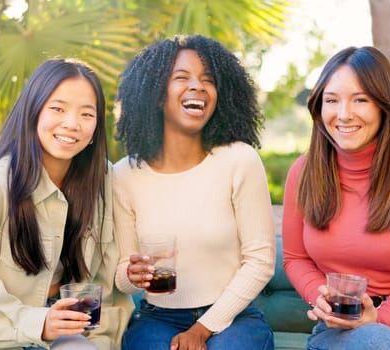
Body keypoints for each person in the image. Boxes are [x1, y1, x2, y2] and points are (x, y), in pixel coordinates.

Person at [0, 58, 134, 350]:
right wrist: (39, 323)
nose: (71, 124)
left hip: (69, 330)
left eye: (87, 114)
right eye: (57, 109)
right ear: (33, 111)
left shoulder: (103, 182)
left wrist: (96, 340)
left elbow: (107, 292)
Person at [282, 46, 390, 350]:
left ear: (383, 106)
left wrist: (380, 318)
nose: (343, 114)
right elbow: (295, 258)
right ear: (319, 107)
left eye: (360, 100)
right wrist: (319, 297)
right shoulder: (303, 172)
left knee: (376, 337)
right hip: (338, 324)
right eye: (331, 100)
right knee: (373, 339)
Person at [112, 34, 276, 350]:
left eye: (208, 80)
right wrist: (133, 274)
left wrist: (202, 329)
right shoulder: (124, 175)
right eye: (181, 78)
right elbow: (121, 274)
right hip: (157, 318)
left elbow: (260, 262)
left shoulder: (239, 160)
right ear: (157, 95)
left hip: (234, 318)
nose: (198, 87)